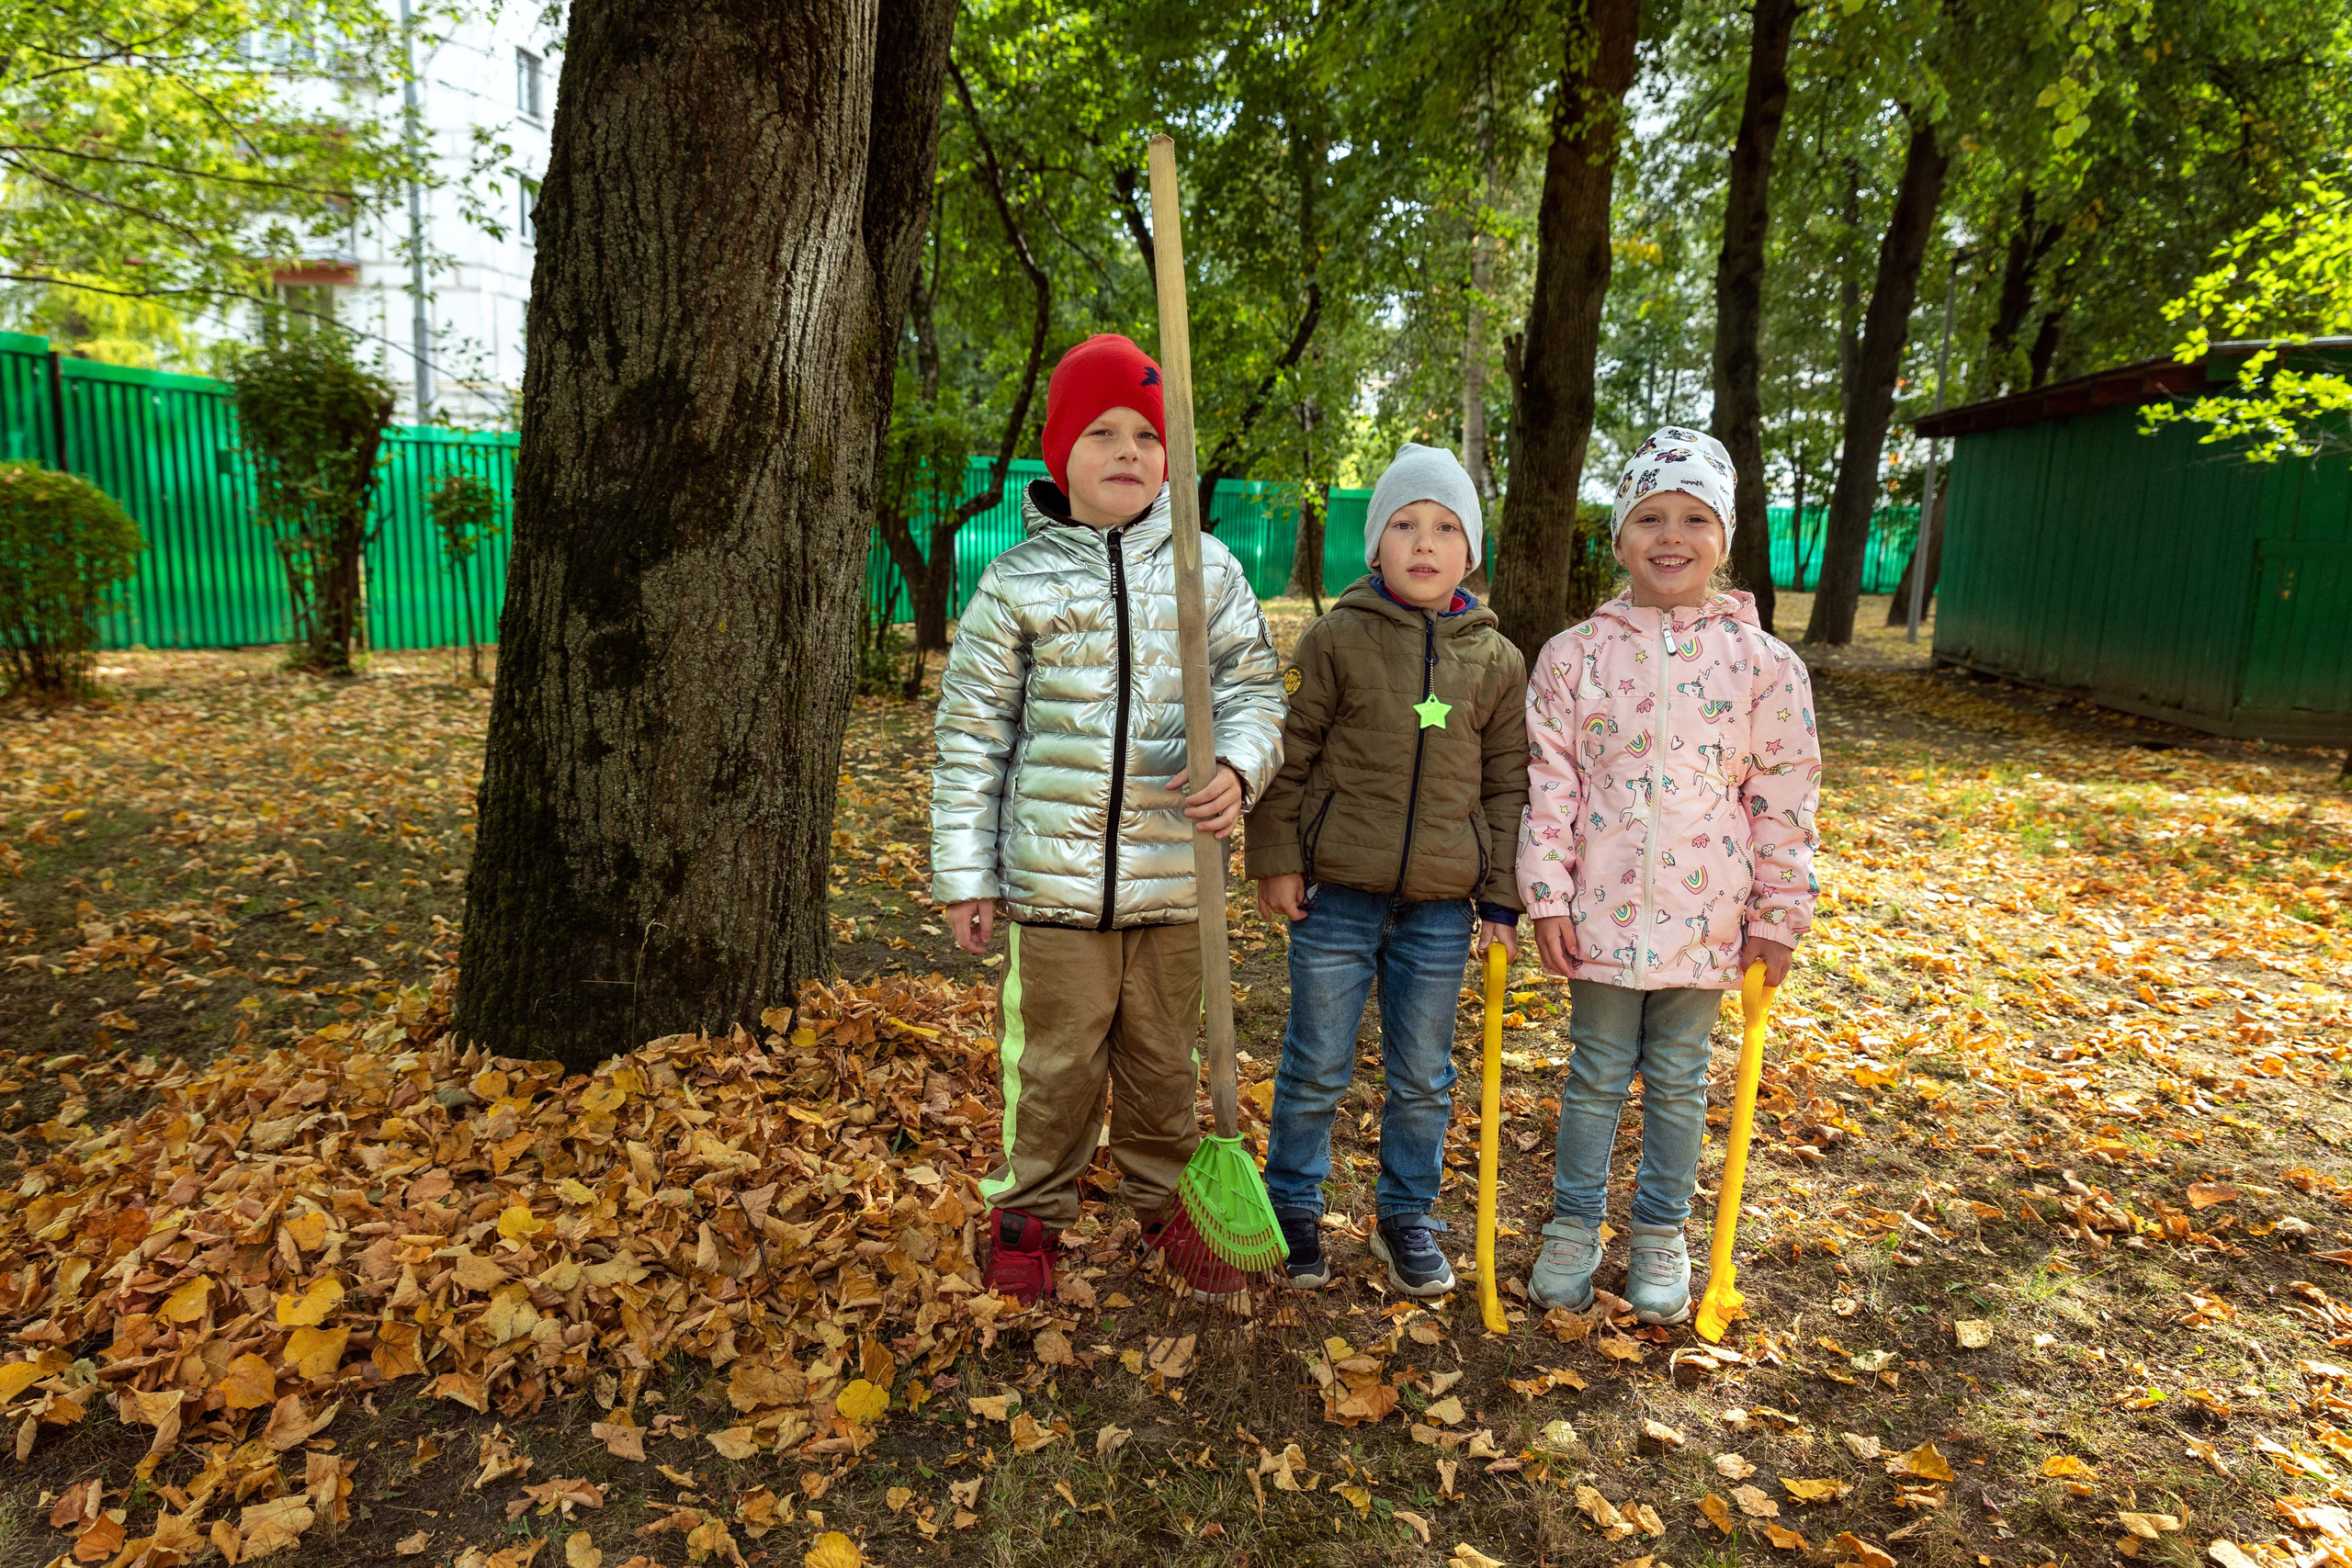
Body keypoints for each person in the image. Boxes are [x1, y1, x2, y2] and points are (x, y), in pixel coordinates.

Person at [930, 333, 1286, 1306]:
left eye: (1146, 434)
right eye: (1101, 432)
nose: (1127, 450)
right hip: (1054, 887)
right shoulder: (1017, 584)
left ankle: (1171, 1207)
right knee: (1054, 1064)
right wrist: (967, 872)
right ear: (1059, 456)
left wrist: (1239, 767)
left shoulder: (1206, 572)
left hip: (1177, 881)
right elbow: (972, 737)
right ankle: (1029, 1213)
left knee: (1166, 1061)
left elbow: (1256, 693)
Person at [1517, 424, 1820, 1325]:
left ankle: (1659, 1232)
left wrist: (1779, 912)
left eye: (1693, 517)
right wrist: (1546, 892)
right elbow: (1548, 781)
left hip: (1708, 917)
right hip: (1600, 911)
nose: (1670, 535)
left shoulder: (1765, 665)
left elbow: (1786, 794)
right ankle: (1573, 1225)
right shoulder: (1574, 656)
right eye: (1649, 516)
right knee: (1597, 1070)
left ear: (1723, 539)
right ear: (1618, 538)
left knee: (1682, 1075)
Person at [1245, 444, 1527, 1297]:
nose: (1424, 542)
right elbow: (1286, 757)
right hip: (1337, 897)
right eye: (1404, 524)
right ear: (1375, 544)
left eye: (1445, 527)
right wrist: (1277, 860)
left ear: (1469, 551)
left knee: (1422, 1074)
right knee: (1317, 1059)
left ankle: (1407, 1214)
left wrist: (1502, 897)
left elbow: (1511, 785)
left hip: (1441, 909)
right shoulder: (1335, 639)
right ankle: (1292, 1203)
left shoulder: (1496, 660)